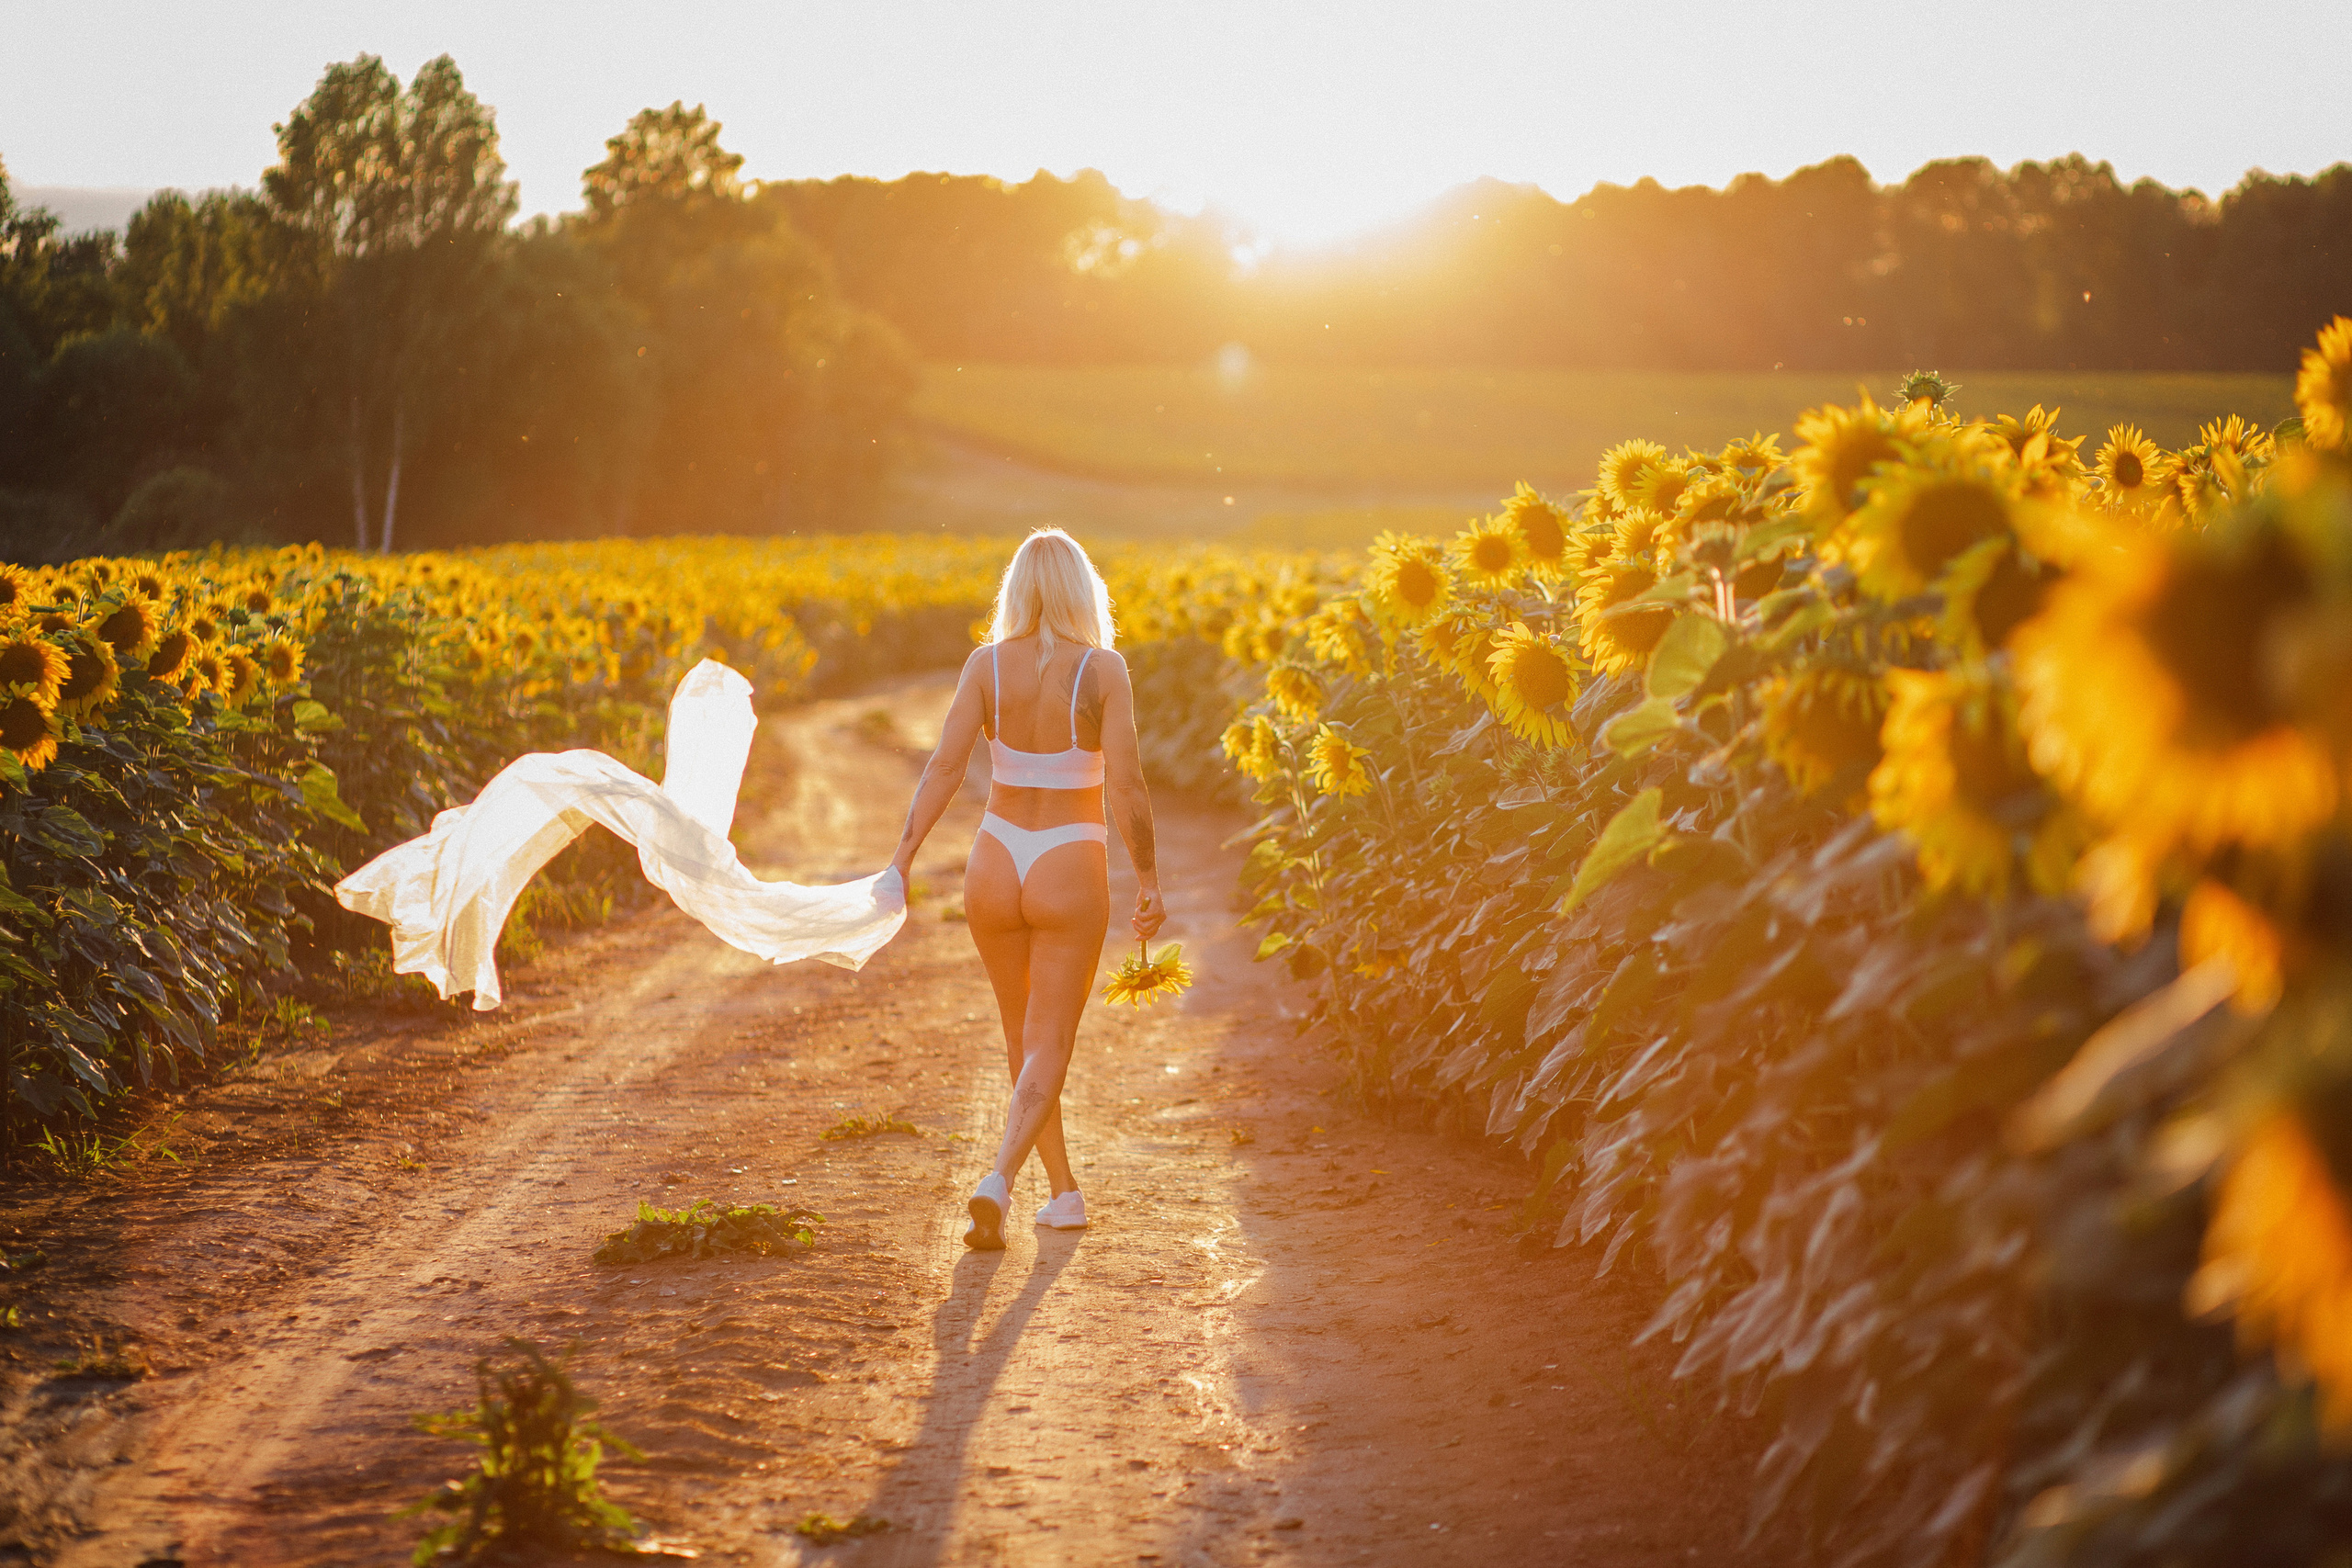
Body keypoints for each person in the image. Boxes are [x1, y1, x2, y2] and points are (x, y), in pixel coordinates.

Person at [888, 528, 1163, 1248]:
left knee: (1022, 1036)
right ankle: (1001, 1179)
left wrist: (902, 855)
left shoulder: (985, 664)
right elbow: (1128, 783)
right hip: (1068, 857)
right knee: (1052, 1039)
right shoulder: (1103, 669)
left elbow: (943, 767)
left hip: (996, 856)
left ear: (1015, 590)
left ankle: (1063, 1192)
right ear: (1083, 591)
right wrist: (1149, 877)